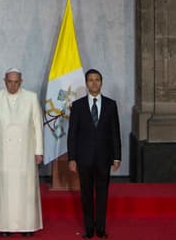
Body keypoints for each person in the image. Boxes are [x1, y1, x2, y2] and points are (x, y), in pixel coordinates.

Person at [0, 68, 43, 237]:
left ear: (21, 82)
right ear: (4, 81)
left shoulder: (31, 97)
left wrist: (39, 151)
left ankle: (27, 226)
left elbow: (37, 126)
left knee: (27, 189)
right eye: (10, 81)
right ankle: (4, 225)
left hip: (26, 151)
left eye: (16, 82)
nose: (13, 85)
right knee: (5, 190)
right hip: (3, 152)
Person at [67, 69, 120, 240]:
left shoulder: (111, 105)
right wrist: (72, 158)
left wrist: (117, 156)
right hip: (84, 158)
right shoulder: (78, 106)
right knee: (86, 194)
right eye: (90, 80)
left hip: (104, 158)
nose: (94, 83)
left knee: (103, 193)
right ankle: (89, 228)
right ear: (86, 83)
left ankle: (101, 228)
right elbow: (72, 134)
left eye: (97, 80)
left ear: (101, 82)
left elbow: (115, 132)